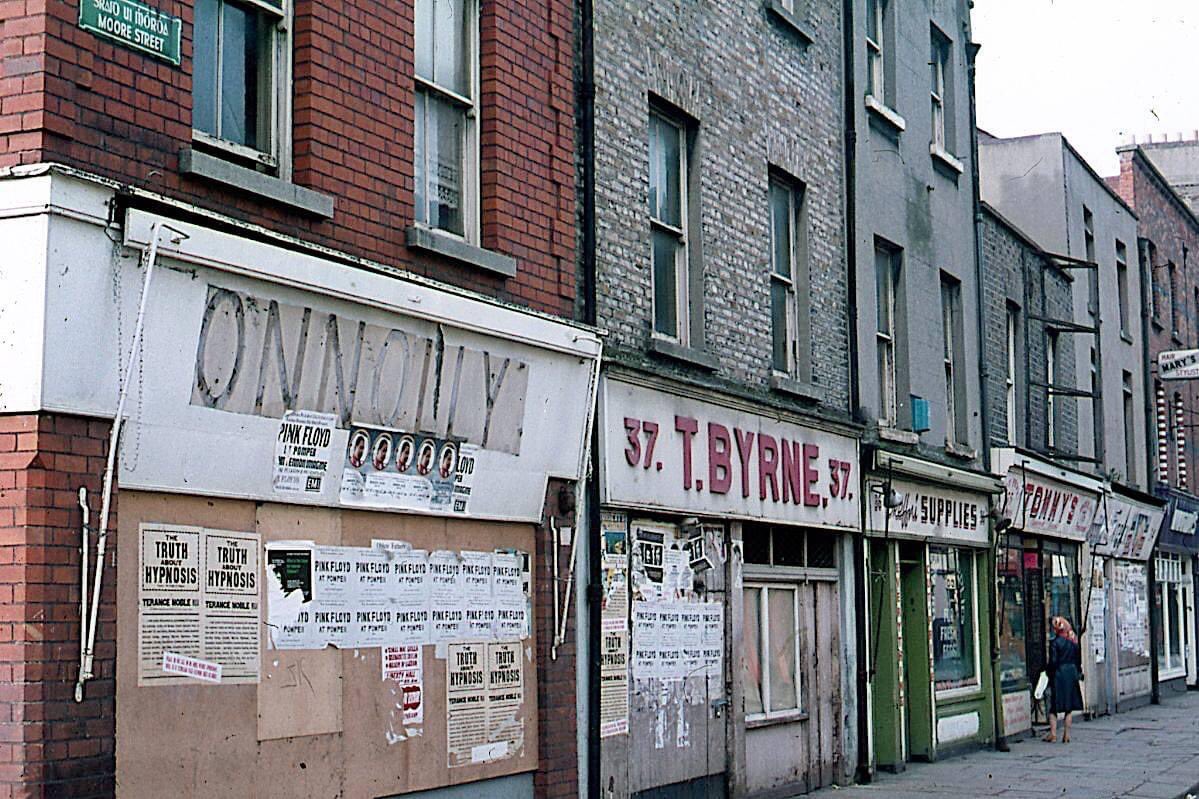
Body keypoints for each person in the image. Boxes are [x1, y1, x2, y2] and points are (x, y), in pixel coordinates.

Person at [1044, 616, 1083, 743]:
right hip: (1071, 674)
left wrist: (1049, 672)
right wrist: (1078, 672)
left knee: (1053, 706)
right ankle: (1066, 735)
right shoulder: (1073, 642)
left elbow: (1053, 661)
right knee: (1068, 707)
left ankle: (1053, 734)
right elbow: (1078, 659)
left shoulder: (1055, 643)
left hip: (1059, 674)